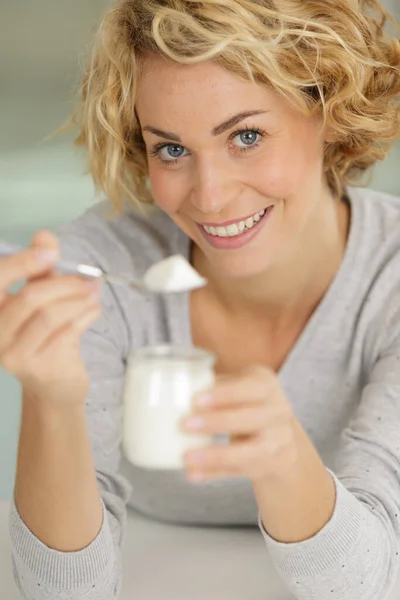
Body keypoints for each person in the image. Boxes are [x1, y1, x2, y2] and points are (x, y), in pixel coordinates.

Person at [2, 0, 400, 598]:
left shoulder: (390, 280)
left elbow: (371, 581)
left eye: (246, 135)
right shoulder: (103, 269)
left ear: (331, 112)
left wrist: (285, 461)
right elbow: (61, 593)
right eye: (171, 149)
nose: (209, 198)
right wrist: (51, 398)